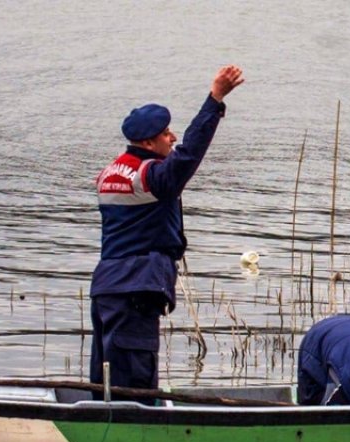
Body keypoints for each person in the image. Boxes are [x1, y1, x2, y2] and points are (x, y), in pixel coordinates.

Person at [89, 65, 244, 396]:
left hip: (105, 288)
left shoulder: (108, 174)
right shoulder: (151, 178)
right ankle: (135, 438)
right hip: (136, 289)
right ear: (147, 141)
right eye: (165, 134)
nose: (172, 138)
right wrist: (214, 99)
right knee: (135, 386)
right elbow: (190, 153)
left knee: (105, 380)